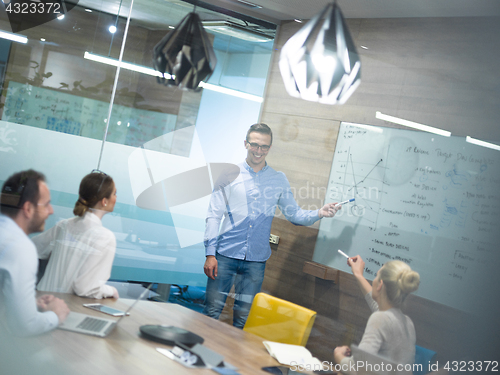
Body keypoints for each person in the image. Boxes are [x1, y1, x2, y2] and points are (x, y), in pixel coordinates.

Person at [203, 123, 341, 328]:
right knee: (211, 313)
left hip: (256, 261)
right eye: (255, 145)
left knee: (243, 319)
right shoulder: (229, 174)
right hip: (224, 256)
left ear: (269, 148)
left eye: (264, 147)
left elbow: (294, 214)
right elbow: (214, 216)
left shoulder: (278, 179)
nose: (259, 151)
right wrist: (210, 254)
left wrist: (319, 212)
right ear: (246, 144)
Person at [0, 170, 70, 337]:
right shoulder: (19, 247)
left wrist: (25, 305)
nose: (51, 211)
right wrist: (56, 314)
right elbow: (25, 326)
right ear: (28, 209)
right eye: (46, 204)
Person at [33, 170, 119, 299]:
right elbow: (86, 288)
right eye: (114, 193)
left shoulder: (64, 225)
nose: (116, 198)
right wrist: (111, 291)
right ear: (104, 201)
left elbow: (33, 247)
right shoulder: (105, 237)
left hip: (39, 301)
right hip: (66, 308)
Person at [333, 255, 420, 374]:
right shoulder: (408, 323)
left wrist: (339, 355)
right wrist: (358, 275)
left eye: (376, 276)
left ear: (380, 285)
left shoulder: (380, 319)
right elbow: (378, 307)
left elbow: (356, 369)